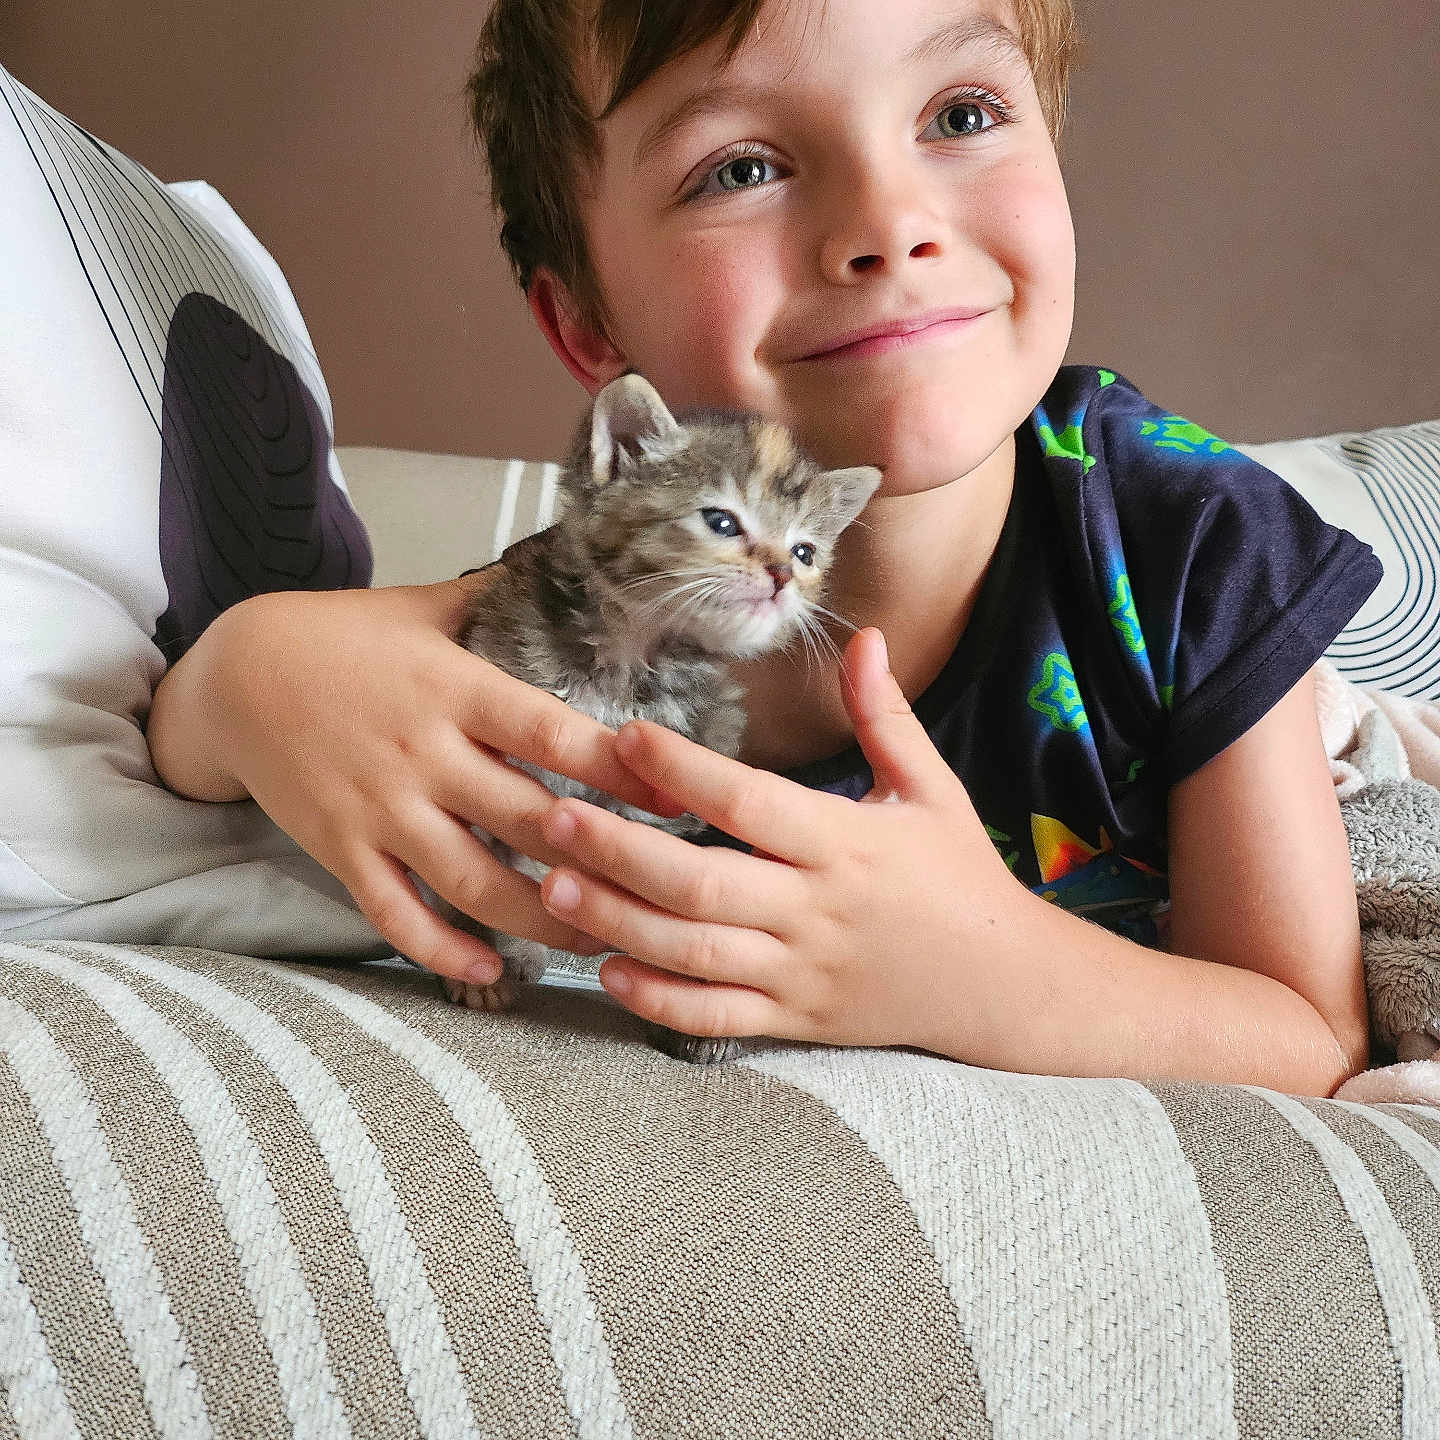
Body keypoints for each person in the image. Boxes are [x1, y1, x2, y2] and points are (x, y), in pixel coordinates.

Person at [147, 0, 1381, 1095]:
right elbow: (222, 719)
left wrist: (976, 967)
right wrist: (251, 668)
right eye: (741, 167)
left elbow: (1306, 1038)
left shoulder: (1195, 544)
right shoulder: (593, 602)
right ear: (586, 320)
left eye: (960, 112)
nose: (890, 224)